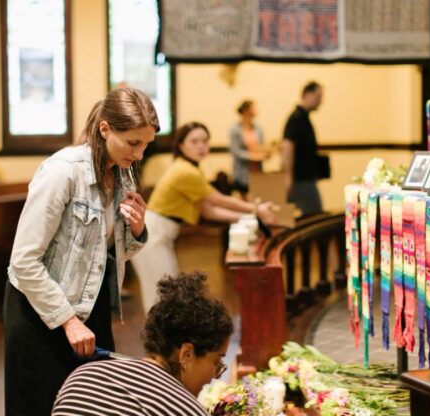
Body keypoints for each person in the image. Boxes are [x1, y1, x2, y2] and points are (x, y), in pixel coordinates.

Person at [4, 88, 159, 415]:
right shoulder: (62, 171)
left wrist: (136, 229)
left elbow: (107, 254)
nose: (140, 154)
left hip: (90, 303)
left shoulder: (123, 172)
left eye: (146, 144)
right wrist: (67, 320)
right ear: (105, 129)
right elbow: (23, 261)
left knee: (91, 405)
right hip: (41, 310)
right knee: (42, 405)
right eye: (134, 143)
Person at [131, 122, 276, 312]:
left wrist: (249, 218)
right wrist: (256, 209)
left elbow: (209, 211)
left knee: (166, 295)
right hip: (152, 236)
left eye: (204, 141)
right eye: (194, 141)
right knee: (162, 297)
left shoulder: (190, 168)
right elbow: (217, 200)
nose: (201, 146)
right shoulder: (185, 171)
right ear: (181, 145)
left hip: (159, 234)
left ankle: (166, 340)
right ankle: (158, 341)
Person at [53, 271, 233, 415]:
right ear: (186, 354)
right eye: (216, 362)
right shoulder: (184, 409)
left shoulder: (83, 376)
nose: (213, 377)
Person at [282, 81, 324, 217]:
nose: (320, 101)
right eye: (318, 97)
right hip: (301, 179)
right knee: (314, 216)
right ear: (307, 95)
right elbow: (287, 145)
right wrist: (288, 176)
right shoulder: (297, 118)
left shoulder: (303, 118)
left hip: (305, 178)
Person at [229, 99, 268, 198]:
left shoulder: (258, 128)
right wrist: (253, 156)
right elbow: (236, 151)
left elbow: (261, 146)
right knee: (244, 198)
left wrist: (266, 153)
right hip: (242, 171)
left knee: (257, 197)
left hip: (257, 169)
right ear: (246, 111)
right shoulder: (235, 129)